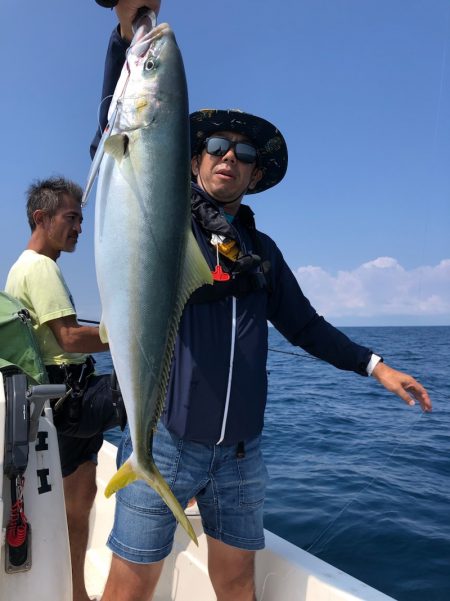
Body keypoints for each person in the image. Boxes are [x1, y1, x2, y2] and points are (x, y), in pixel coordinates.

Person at [91, 3, 432, 600]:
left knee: (238, 582)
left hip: (243, 451)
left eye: (244, 155)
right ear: (192, 159)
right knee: (129, 583)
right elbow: (122, 144)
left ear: (254, 176)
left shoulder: (260, 250)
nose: (229, 157)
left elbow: (304, 325)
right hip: (166, 438)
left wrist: (376, 366)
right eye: (218, 146)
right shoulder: (165, 225)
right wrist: (126, 37)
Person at [5, 177, 125, 601]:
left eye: (80, 219)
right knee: (163, 389)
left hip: (56, 400)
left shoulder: (21, 266)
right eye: (71, 218)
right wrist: (131, 334)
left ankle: (76, 594)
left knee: (81, 503)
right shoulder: (41, 267)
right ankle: (179, 485)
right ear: (42, 218)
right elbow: (71, 339)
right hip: (68, 396)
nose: (78, 228)